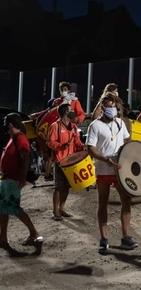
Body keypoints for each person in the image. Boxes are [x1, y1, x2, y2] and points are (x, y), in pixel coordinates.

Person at [86, 93, 137, 253]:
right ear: (102, 107)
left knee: (126, 200)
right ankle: (103, 239)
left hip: (120, 170)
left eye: (114, 106)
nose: (112, 109)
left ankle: (126, 237)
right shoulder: (94, 125)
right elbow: (91, 148)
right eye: (109, 106)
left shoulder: (120, 123)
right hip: (103, 169)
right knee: (102, 202)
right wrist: (105, 158)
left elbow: (127, 140)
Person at [0, 113, 43, 255]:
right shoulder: (14, 138)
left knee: (14, 208)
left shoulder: (20, 139)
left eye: (6, 123)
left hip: (13, 179)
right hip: (7, 179)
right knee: (3, 209)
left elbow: (25, 157)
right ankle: (3, 238)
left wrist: (22, 178)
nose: (5, 126)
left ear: (11, 124)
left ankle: (34, 233)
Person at [47, 103, 85, 220]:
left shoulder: (73, 127)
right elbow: (50, 142)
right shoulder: (55, 126)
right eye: (71, 110)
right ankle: (55, 210)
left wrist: (85, 147)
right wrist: (62, 146)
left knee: (67, 186)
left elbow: (77, 143)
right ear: (65, 112)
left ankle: (62, 208)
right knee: (58, 186)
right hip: (60, 161)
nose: (73, 111)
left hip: (70, 161)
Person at [42, 81, 86, 182]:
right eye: (61, 90)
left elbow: (81, 114)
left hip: (70, 129)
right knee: (60, 186)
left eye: (65, 89)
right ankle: (49, 173)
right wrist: (61, 146)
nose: (63, 91)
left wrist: (77, 120)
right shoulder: (56, 102)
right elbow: (50, 113)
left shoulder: (74, 101)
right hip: (58, 130)